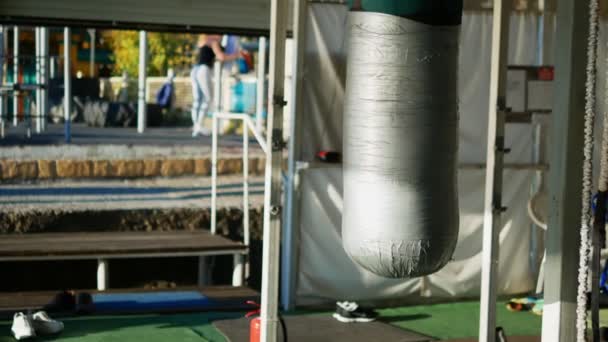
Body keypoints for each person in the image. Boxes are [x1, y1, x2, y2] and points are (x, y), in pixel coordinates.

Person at [190, 34, 241, 137]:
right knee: (208, 98)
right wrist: (235, 56)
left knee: (198, 99)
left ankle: (196, 126)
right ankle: (198, 125)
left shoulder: (203, 42)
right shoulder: (213, 42)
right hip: (203, 70)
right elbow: (221, 56)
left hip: (195, 69)